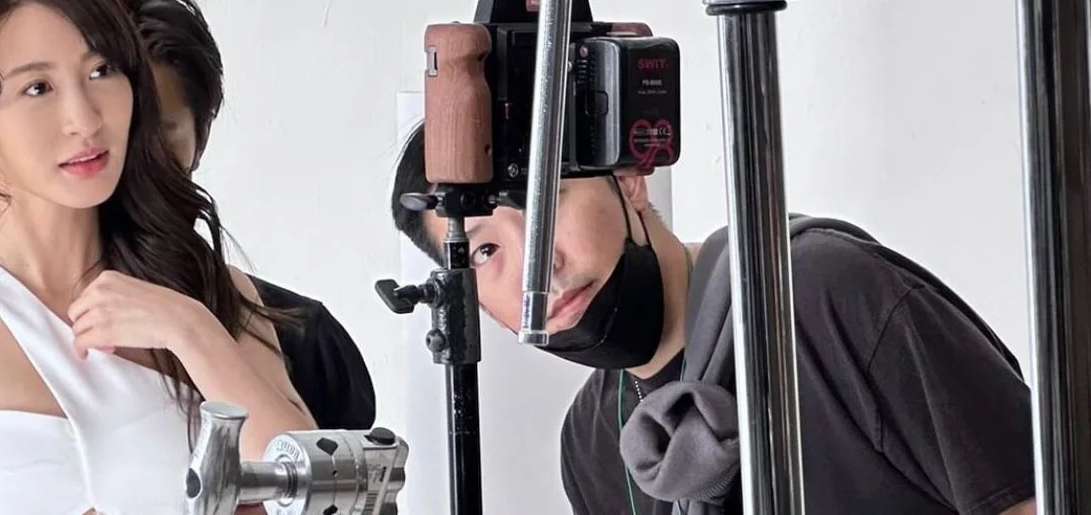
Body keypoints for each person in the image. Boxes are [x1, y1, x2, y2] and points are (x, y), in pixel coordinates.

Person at [0, 0, 376, 513]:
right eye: (38, 87)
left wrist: (193, 332)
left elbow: (319, 500)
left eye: (101, 72)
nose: (84, 119)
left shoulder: (207, 292)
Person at [390, 122, 1037, 515]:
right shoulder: (592, 440)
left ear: (628, 178)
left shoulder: (822, 296)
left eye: (545, 207)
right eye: (486, 251)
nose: (540, 267)